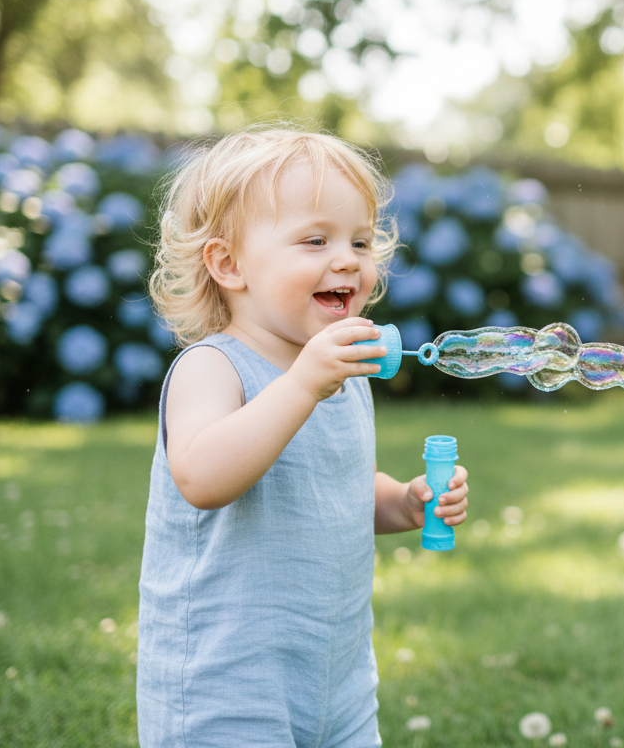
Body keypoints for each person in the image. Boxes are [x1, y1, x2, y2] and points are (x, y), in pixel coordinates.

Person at [138, 127, 469, 747]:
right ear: (228, 264)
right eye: (315, 240)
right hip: (225, 685)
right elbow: (202, 479)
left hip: (336, 681)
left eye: (360, 241)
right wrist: (301, 385)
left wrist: (404, 501)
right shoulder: (213, 367)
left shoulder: (340, 378)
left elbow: (332, 484)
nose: (346, 259)